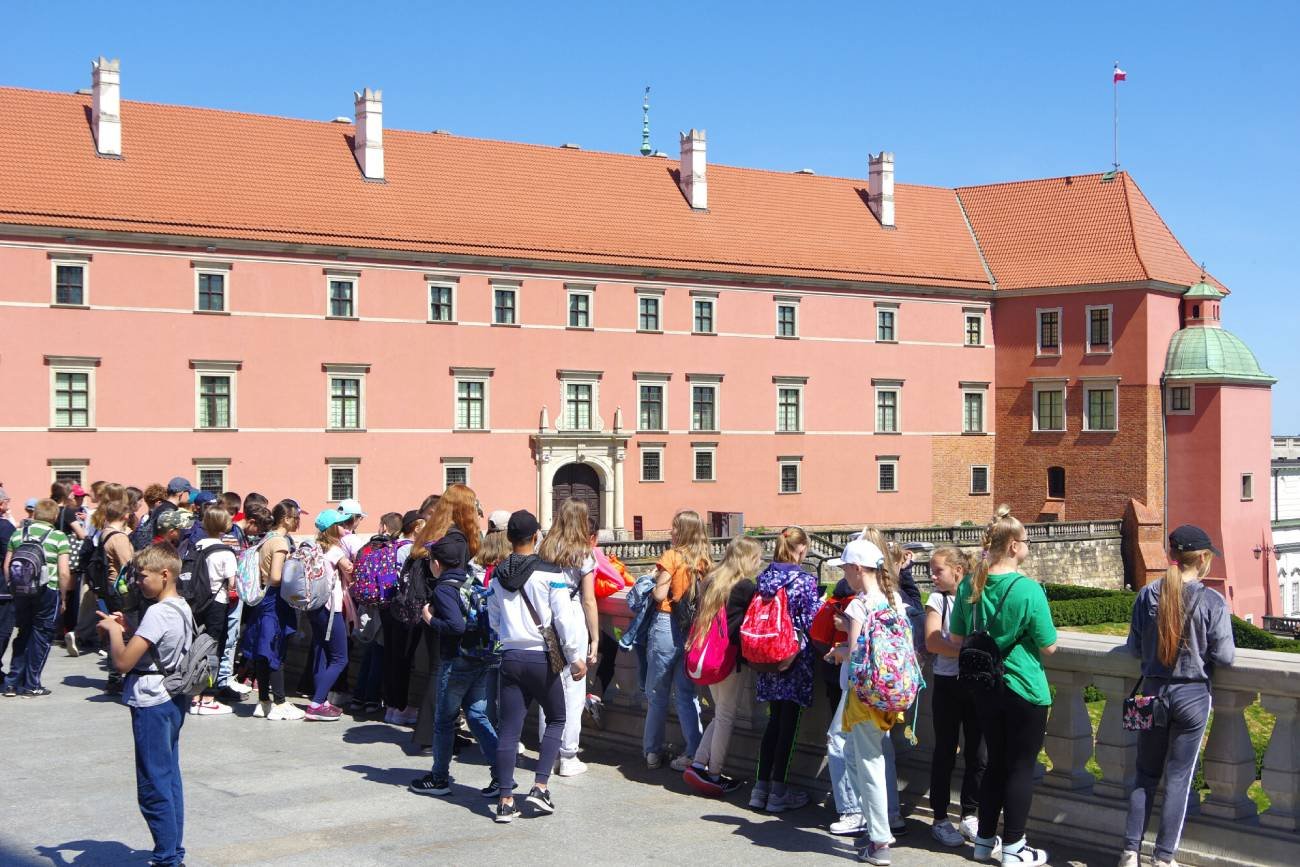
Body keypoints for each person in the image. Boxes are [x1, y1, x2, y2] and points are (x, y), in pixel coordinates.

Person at [1120, 525, 1236, 867]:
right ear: (1201, 558)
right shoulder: (1212, 601)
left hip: (1153, 693)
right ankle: (1163, 856)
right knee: (1178, 780)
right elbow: (1226, 657)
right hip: (1192, 695)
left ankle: (1129, 851)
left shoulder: (1148, 594)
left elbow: (1133, 647)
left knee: (1144, 775)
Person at [949, 505, 1057, 867]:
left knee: (994, 763)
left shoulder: (970, 584)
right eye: (1025, 541)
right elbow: (1049, 646)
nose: (1028, 546)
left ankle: (983, 841)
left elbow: (957, 636)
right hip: (1023, 686)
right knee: (1021, 767)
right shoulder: (1028, 590)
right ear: (1012, 546)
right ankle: (1014, 847)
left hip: (984, 688)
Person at [485, 510, 587, 823]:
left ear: (508, 538)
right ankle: (540, 786)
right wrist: (574, 657)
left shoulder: (498, 574)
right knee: (557, 717)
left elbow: (493, 618)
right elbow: (564, 619)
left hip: (511, 656)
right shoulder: (551, 573)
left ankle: (504, 799)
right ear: (535, 536)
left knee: (509, 728)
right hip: (541, 657)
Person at [95, 544, 192, 867]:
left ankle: (166, 857)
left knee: (153, 783)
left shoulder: (158, 611)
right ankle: (173, 849)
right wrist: (131, 631)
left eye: (142, 575)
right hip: (174, 696)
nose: (137, 581)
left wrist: (112, 632)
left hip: (152, 699)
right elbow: (158, 647)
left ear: (165, 575)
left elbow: (122, 662)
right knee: (169, 776)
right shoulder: (180, 606)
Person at [824, 536, 909, 866]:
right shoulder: (893, 600)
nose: (843, 573)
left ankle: (879, 840)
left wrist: (838, 652)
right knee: (865, 758)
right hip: (889, 693)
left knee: (868, 764)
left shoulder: (858, 605)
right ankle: (881, 830)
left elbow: (857, 653)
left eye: (845, 567)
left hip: (863, 696)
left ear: (858, 569)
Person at [409, 530, 500, 797]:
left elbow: (455, 626)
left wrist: (429, 620)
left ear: (437, 563)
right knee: (477, 715)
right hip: (480, 658)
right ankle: (501, 775)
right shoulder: (471, 580)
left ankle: (439, 778)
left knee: (444, 720)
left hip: (456, 660)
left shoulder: (443, 590)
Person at [750, 525, 822, 812]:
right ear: (801, 548)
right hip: (793, 657)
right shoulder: (803, 580)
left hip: (767, 656)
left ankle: (760, 787)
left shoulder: (764, 577)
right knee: (788, 726)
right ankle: (779, 790)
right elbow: (811, 621)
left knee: (773, 722)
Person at [684, 535, 761, 796]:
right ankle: (714, 773)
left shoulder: (712, 580)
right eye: (756, 558)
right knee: (726, 716)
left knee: (720, 713)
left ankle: (697, 764)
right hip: (730, 659)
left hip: (710, 658)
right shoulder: (745, 587)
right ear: (748, 559)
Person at [924, 546, 984, 847]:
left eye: (938, 571)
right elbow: (933, 641)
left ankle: (970, 814)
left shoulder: (975, 595)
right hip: (948, 682)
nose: (932, 576)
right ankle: (940, 817)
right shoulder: (938, 599)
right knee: (945, 750)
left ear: (958, 571)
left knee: (977, 751)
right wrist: (970, 653)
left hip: (973, 684)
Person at [535, 499, 598, 777]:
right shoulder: (584, 553)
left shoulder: (543, 548)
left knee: (549, 686)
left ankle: (548, 751)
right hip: (571, 616)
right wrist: (595, 638)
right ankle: (568, 754)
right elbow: (588, 600)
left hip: (547, 619)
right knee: (574, 689)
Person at [3, 498, 71, 696]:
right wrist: (64, 596)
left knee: (23, 633)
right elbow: (64, 572)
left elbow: (7, 566)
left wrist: (13, 586)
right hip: (47, 590)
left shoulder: (18, 534)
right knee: (42, 636)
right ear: (55, 516)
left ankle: (11, 683)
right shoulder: (58, 537)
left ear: (35, 514)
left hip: (21, 591)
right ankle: (32, 684)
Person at [245, 501, 305, 721]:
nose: (299, 521)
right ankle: (279, 702)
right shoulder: (280, 542)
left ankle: (264, 701)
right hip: (275, 599)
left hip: (263, 599)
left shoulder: (267, 538)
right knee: (275, 651)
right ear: (286, 519)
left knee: (262, 652)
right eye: (296, 517)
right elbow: (277, 577)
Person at [189, 505, 239, 716]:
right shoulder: (225, 551)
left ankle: (194, 695)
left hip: (195, 602)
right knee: (214, 647)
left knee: (196, 646)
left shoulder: (196, 546)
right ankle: (209, 696)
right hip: (216, 603)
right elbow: (232, 582)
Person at [307, 509, 354, 720]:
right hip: (331, 607)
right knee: (340, 658)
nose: (345, 526)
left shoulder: (314, 547)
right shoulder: (335, 551)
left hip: (314, 606)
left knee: (322, 654)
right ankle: (316, 704)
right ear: (333, 528)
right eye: (341, 524)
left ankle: (322, 699)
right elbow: (350, 569)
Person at [382, 509, 423, 725]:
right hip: (408, 609)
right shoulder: (410, 550)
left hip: (391, 606)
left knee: (392, 658)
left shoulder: (392, 546)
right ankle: (400, 708)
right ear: (416, 527)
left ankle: (390, 707)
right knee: (404, 660)